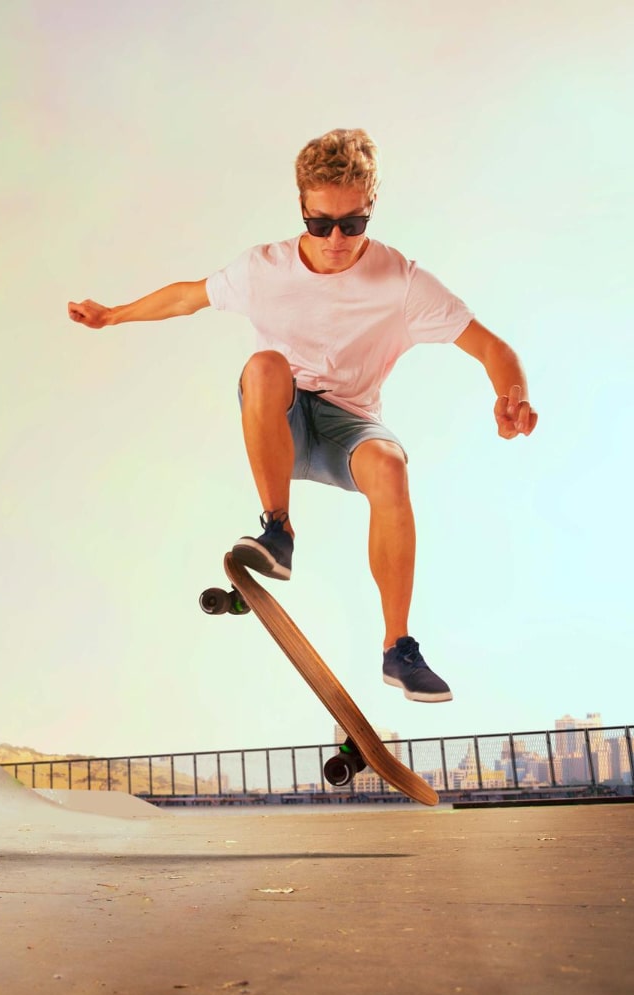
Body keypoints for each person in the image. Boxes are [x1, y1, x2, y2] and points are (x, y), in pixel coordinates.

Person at [67, 128, 537, 703]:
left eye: (352, 224)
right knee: (266, 364)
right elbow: (187, 296)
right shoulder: (264, 268)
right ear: (302, 209)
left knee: (390, 467)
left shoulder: (403, 282)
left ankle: (398, 649)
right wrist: (112, 315)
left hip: (350, 424)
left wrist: (513, 395)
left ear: (371, 207)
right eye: (321, 224)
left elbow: (491, 347)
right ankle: (278, 531)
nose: (336, 239)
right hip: (280, 418)